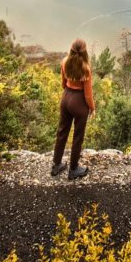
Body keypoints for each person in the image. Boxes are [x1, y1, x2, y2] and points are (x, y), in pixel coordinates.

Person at [52, 38, 95, 179]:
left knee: (62, 132)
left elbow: (63, 83)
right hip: (79, 102)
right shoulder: (86, 68)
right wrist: (92, 108)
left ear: (71, 49)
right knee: (78, 136)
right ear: (85, 51)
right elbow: (88, 94)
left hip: (66, 98)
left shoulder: (65, 62)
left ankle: (56, 165)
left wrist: (69, 93)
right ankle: (73, 169)